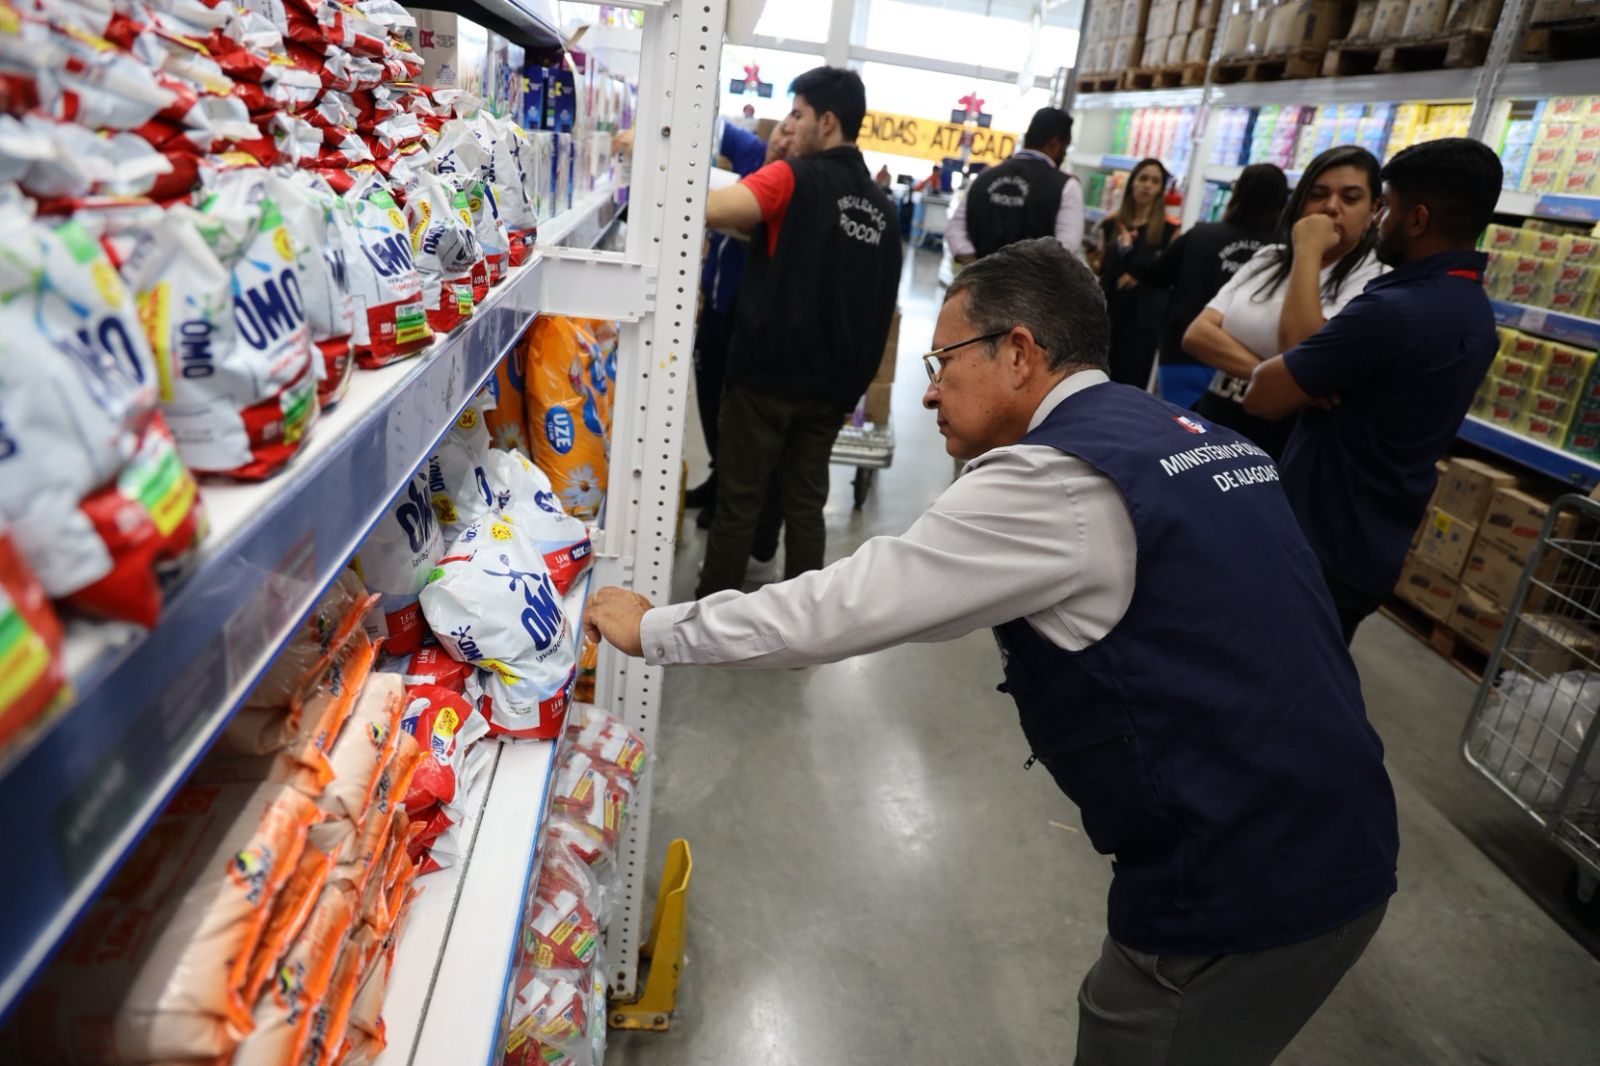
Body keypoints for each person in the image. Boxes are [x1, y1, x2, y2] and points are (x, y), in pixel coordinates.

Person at [585, 238, 1398, 1066]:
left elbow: (848, 606)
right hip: (1331, 827)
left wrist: (656, 629)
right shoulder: (1185, 433)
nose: (929, 389)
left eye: (944, 360)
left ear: (1018, 352)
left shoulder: (1054, 481)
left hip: (1247, 880)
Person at [1244, 137, 1503, 643]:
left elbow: (1263, 395)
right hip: (1372, 547)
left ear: (1417, 219)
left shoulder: (1391, 312)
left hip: (1315, 545)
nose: (1380, 220)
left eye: (1386, 206)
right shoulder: (1474, 310)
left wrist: (1308, 251)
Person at [696, 66, 902, 597]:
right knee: (806, 508)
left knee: (739, 504)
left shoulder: (792, 178)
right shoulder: (884, 211)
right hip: (832, 391)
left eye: (797, 113)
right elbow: (882, 303)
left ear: (826, 121)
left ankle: (710, 618)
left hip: (765, 379)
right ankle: (806, 625)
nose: (789, 125)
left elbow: (712, 208)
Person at [1186, 146, 1386, 460]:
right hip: (1215, 422)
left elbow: (1303, 355)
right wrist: (1275, 381)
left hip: (1283, 445)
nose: (1331, 207)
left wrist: (1309, 249)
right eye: (1318, 194)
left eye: (1350, 198)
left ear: (1374, 209)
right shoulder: (1269, 258)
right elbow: (1197, 334)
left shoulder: (1374, 279)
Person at [686, 119, 790, 523]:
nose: (784, 141)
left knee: (737, 408)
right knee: (709, 396)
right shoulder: (751, 152)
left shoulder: (792, 181)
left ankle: (729, 491)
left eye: (793, 136)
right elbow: (709, 122)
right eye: (782, 129)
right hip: (716, 304)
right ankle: (718, 476)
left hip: (751, 318)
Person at [1130, 163, 1287, 408]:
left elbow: (1155, 275)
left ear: (1237, 193)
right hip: (1247, 365)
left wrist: (1128, 252)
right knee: (1230, 432)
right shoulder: (1284, 250)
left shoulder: (1200, 235)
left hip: (1183, 357)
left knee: (1181, 428)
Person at [945, 106, 1083, 264]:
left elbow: (955, 228)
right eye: (1066, 148)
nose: (1064, 154)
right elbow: (1066, 249)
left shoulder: (983, 177)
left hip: (978, 277)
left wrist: (978, 266)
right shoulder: (1066, 186)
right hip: (1033, 279)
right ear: (1055, 144)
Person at [1094, 158, 1177, 389]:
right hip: (1108, 314)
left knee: (1130, 386)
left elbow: (1167, 274)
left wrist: (1140, 275)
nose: (1147, 185)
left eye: (1154, 181)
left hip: (1143, 320)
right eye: (1143, 178)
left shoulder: (1169, 229)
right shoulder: (1112, 223)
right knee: (1097, 378)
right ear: (1133, 182)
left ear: (1161, 189)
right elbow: (1101, 266)